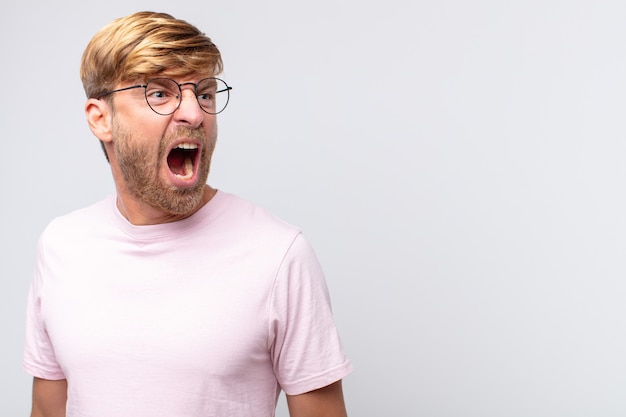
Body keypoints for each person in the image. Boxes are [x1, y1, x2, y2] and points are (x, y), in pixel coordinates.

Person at [23, 11, 351, 417]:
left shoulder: (279, 255)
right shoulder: (61, 247)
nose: (195, 114)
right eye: (160, 94)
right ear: (101, 118)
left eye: (206, 93)